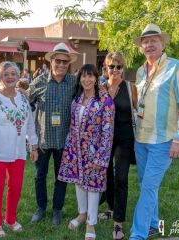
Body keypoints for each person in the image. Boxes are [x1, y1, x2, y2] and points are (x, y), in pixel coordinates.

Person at [130, 24, 179, 240]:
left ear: (162, 43)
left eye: (153, 40)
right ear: (141, 47)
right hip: (141, 138)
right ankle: (156, 224)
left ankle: (137, 235)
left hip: (164, 140)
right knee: (146, 185)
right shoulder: (140, 71)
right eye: (145, 42)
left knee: (148, 187)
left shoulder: (177, 67)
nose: (149, 45)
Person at [0, 61, 38, 238]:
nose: (10, 77)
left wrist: (33, 145)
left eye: (13, 73)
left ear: (18, 76)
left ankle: (10, 219)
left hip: (18, 152)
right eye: (6, 74)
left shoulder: (22, 97)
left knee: (16, 187)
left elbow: (29, 124)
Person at [58, 64, 115, 240]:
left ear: (96, 78)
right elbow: (73, 125)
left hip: (95, 152)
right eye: (83, 76)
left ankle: (91, 222)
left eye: (90, 76)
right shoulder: (77, 98)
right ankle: (82, 214)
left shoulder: (105, 101)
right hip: (75, 150)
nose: (87, 80)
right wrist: (69, 150)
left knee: (93, 186)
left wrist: (101, 158)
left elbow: (108, 131)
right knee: (78, 182)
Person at [28, 42, 77, 225]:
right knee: (39, 176)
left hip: (64, 140)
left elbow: (88, 94)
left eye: (65, 62)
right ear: (51, 61)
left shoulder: (73, 82)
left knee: (61, 177)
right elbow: (26, 105)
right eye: (58, 61)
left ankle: (57, 209)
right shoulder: (38, 82)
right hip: (43, 140)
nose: (61, 65)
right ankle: (41, 208)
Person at [97, 52, 138, 240]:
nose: (114, 70)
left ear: (123, 68)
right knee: (106, 177)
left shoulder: (130, 88)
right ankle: (111, 209)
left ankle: (118, 223)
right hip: (104, 140)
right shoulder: (101, 88)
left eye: (118, 66)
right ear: (105, 67)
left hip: (124, 139)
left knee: (121, 177)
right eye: (111, 66)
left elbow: (139, 111)